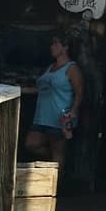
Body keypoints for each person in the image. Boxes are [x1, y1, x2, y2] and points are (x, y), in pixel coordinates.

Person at [25, 33, 84, 168]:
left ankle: (58, 186)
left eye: (55, 44)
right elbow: (41, 88)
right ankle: (52, 162)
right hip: (41, 117)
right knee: (31, 144)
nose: (52, 47)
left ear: (65, 48)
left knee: (58, 151)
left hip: (60, 116)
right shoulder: (50, 67)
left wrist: (73, 112)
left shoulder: (72, 68)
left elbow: (79, 92)